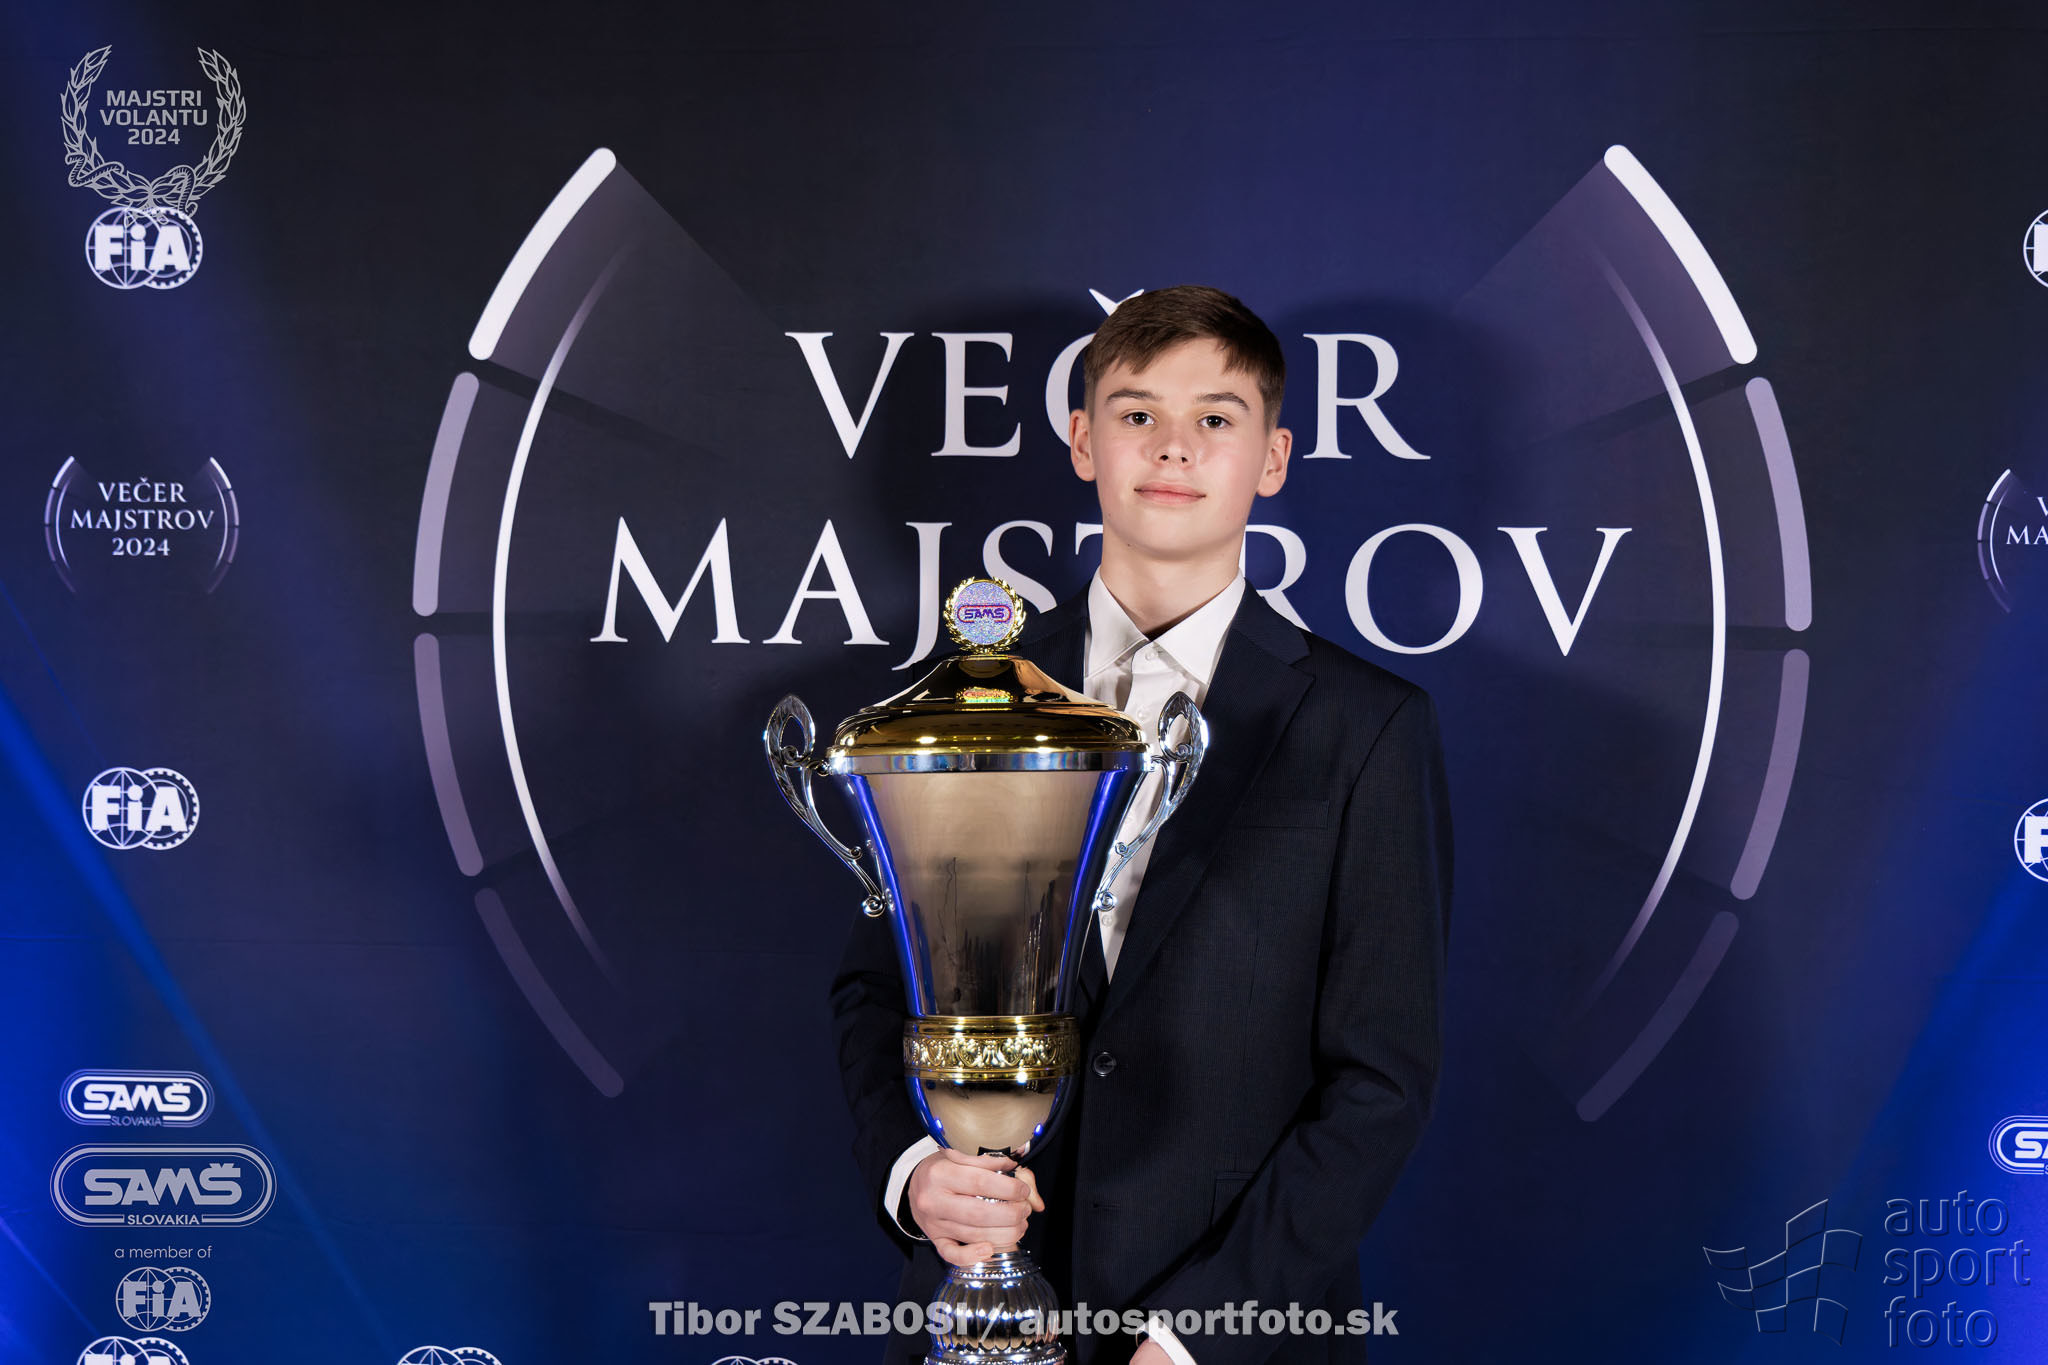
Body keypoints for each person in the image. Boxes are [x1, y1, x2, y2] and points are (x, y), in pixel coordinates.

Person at [830, 285, 1451, 1365]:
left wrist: (1196, 1335)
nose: (1173, 447)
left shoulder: (1368, 727)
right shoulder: (964, 702)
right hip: (980, 1312)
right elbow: (878, 989)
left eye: (1214, 417)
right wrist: (914, 1173)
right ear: (1083, 442)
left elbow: (1379, 1081)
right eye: (1136, 413)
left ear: (1272, 458)